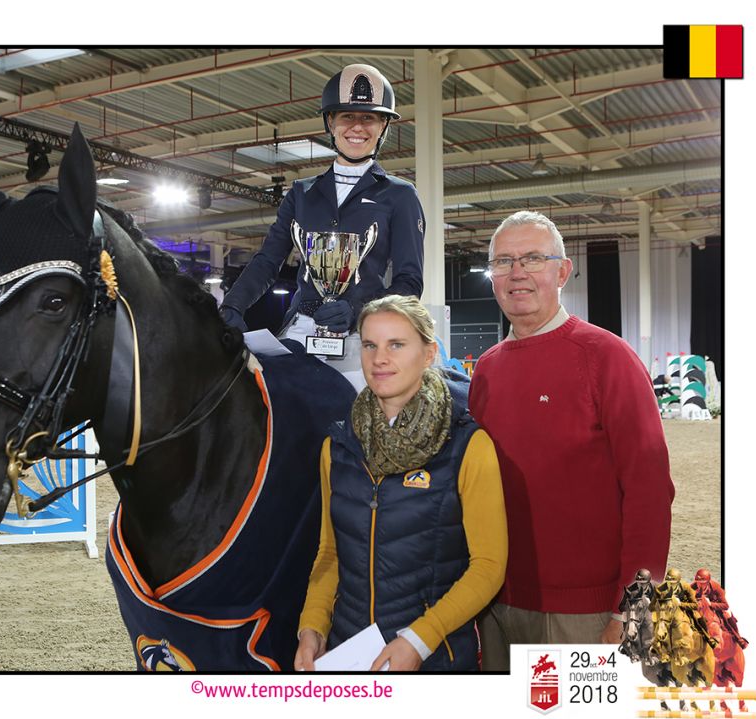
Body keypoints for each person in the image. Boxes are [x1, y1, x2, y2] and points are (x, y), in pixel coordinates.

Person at [469, 210, 674, 671]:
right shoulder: (486, 369)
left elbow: (650, 491)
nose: (517, 272)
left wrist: (633, 610)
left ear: (562, 271)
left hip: (587, 615)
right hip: (496, 605)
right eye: (503, 262)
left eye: (533, 258)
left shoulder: (607, 357)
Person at [294, 295, 507, 671]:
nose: (380, 359)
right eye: (370, 345)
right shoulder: (338, 448)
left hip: (435, 659)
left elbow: (488, 566)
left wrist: (419, 639)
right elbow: (330, 554)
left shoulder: (468, 446)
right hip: (350, 654)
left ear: (428, 354)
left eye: (396, 345)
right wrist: (312, 626)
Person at [219, 64, 425, 372]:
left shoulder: (400, 195)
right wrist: (233, 304)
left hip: (362, 336)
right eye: (347, 116)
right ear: (330, 121)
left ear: (383, 125)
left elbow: (409, 282)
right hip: (300, 330)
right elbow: (267, 261)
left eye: (368, 117)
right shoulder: (301, 192)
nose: (357, 127)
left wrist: (358, 311)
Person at [691, 569, 748, 649]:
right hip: (701, 607)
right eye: (698, 582)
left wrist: (711, 604)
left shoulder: (716, 587)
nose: (699, 585)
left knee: (727, 614)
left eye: (702, 583)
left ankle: (738, 638)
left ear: (707, 582)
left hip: (716, 606)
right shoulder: (692, 587)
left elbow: (725, 605)